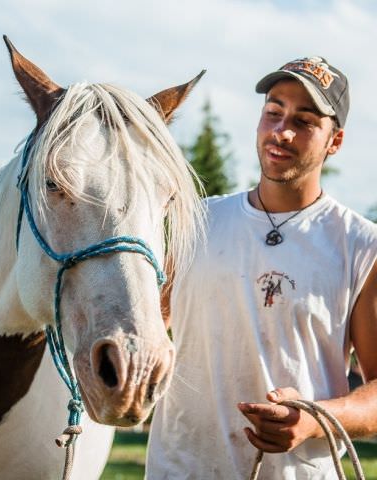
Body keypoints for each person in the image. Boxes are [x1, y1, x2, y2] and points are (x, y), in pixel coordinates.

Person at [146, 57, 377, 479]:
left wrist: (313, 420)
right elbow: (148, 329)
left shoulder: (362, 246)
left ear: (335, 141)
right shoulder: (196, 221)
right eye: (273, 112)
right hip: (179, 469)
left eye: (305, 121)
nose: (282, 131)